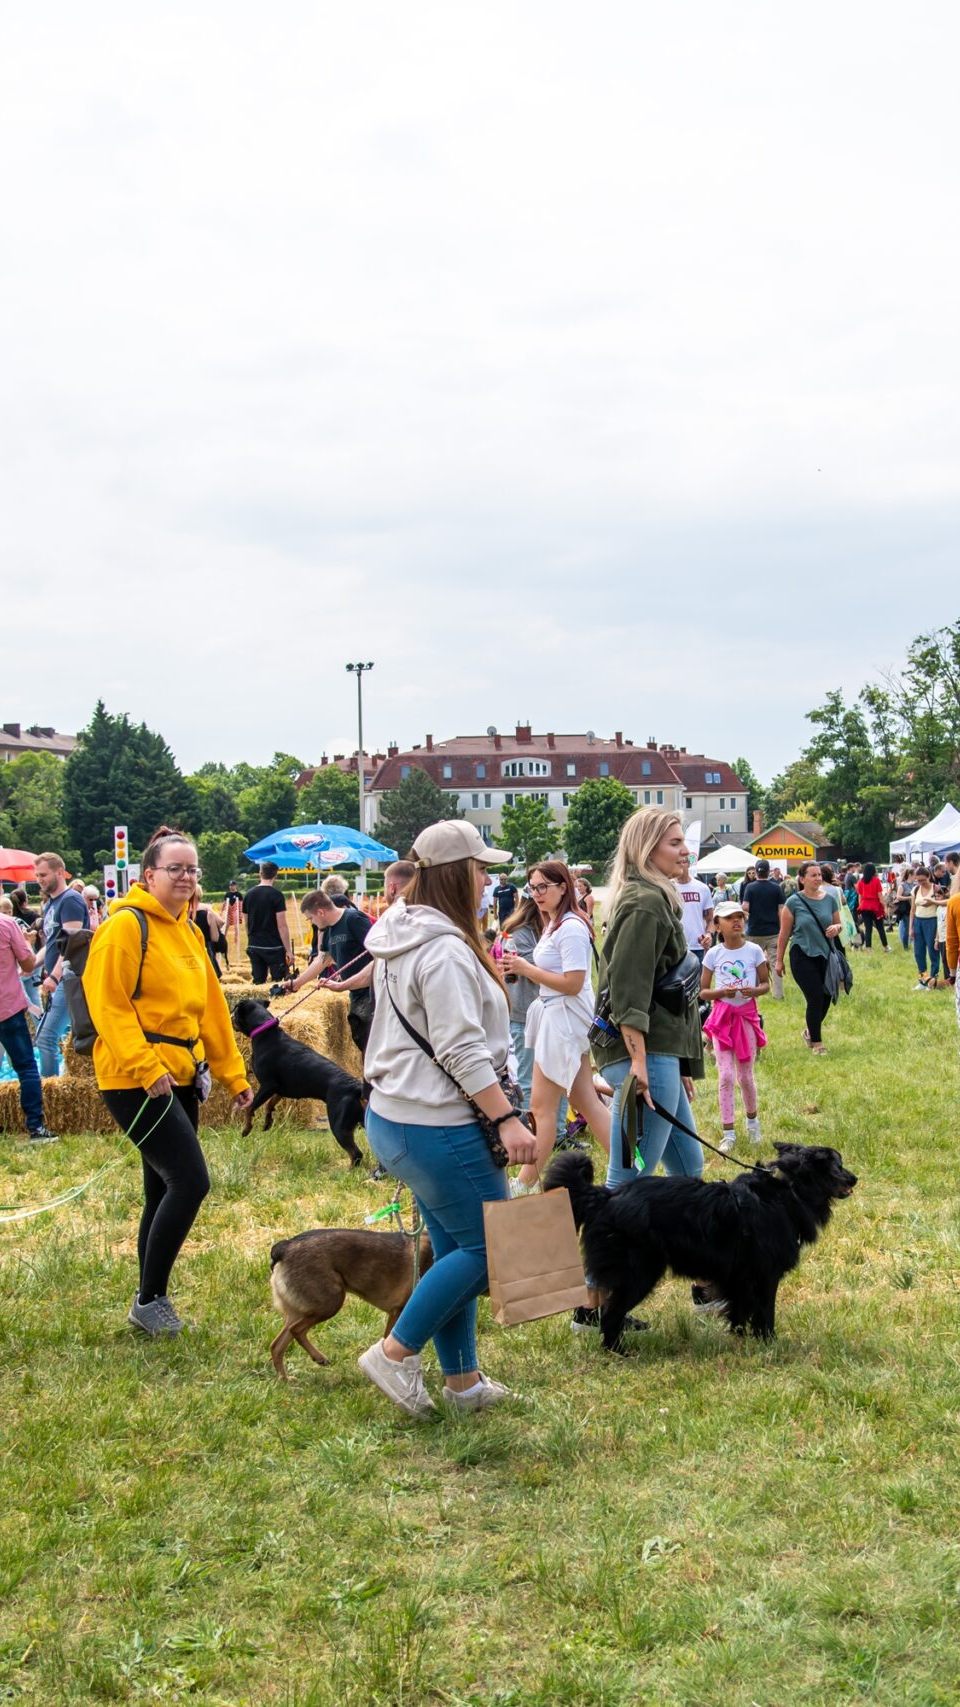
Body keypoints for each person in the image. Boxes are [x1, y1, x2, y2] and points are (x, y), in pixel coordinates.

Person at [358, 820, 537, 1417]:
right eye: (482, 869)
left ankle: (462, 1384)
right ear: (458, 874)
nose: (489, 880)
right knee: (489, 1251)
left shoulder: (403, 933)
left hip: (398, 1117)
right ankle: (395, 1352)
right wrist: (509, 1119)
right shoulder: (444, 951)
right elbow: (460, 1049)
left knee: (455, 1247)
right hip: (438, 1122)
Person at [84, 826, 253, 1335]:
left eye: (192, 869)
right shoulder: (124, 927)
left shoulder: (190, 931)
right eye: (175, 868)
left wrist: (232, 1074)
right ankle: (149, 1298)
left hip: (181, 1073)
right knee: (191, 1180)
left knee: (162, 1187)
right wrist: (144, 1065)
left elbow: (212, 1012)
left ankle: (149, 1299)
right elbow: (106, 1004)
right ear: (149, 874)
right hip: (135, 1077)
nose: (185, 877)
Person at [590, 809, 705, 1186]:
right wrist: (642, 1064)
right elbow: (628, 990)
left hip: (659, 1053)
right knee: (630, 1178)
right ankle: (605, 1245)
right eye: (675, 843)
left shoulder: (655, 896)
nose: (685, 850)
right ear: (646, 849)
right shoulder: (645, 902)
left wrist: (676, 1066)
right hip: (644, 1053)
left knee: (688, 1169)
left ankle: (682, 1245)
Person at [503, 861, 611, 1191]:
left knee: (542, 1108)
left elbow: (574, 983)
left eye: (542, 887)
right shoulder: (555, 924)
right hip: (556, 1016)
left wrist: (526, 968)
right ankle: (630, 1167)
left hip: (564, 1019)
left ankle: (526, 1181)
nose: (535, 894)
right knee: (586, 1101)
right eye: (532, 888)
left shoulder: (571, 928)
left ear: (563, 887)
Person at [501, 892, 571, 1150]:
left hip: (553, 1014)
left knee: (560, 1078)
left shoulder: (558, 927)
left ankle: (559, 1134)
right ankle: (536, 1135)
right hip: (525, 1014)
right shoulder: (519, 932)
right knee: (531, 1078)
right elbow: (534, 968)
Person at [701, 902, 769, 1151]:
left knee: (745, 1076)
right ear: (717, 925)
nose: (736, 921)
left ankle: (753, 1124)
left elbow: (765, 984)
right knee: (726, 1075)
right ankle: (728, 1132)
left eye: (740, 917)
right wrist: (722, 992)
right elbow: (704, 991)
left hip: (746, 1018)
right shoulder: (713, 954)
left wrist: (753, 991)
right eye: (729, 918)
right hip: (722, 1019)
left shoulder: (754, 951)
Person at [292, 888, 375, 1054]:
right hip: (356, 993)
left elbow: (379, 958)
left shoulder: (354, 919)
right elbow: (323, 959)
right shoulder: (329, 929)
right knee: (361, 1040)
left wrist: (344, 985)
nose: (312, 923)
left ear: (321, 912)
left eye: (311, 919)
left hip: (373, 992)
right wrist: (296, 983)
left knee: (371, 1044)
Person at [0, 903, 57, 1141]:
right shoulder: (7, 924)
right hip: (8, 1007)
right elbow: (27, 963)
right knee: (26, 1067)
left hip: (9, 1006)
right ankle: (36, 1127)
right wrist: (27, 944)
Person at [775, 862, 842, 1054]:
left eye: (819, 874)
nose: (818, 878)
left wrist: (836, 928)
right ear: (802, 879)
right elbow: (784, 934)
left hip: (825, 955)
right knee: (815, 997)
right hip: (802, 955)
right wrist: (779, 961)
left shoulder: (830, 899)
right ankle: (817, 1044)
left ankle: (809, 1031)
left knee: (827, 996)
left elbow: (839, 925)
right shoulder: (793, 902)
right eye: (813, 875)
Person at [34, 851, 89, 1078]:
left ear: (59, 872)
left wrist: (54, 977)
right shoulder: (51, 904)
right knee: (48, 1036)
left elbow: (71, 944)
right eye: (37, 875)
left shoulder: (70, 901)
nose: (39, 879)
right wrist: (30, 965)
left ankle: (49, 1089)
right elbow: (52, 943)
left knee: (46, 1037)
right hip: (61, 977)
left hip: (70, 977)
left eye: (43, 874)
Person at [740, 857, 785, 998]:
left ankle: (752, 992)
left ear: (757, 872)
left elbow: (745, 908)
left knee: (751, 963)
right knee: (775, 963)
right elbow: (781, 911)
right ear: (769, 871)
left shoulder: (750, 887)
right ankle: (778, 994)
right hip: (773, 932)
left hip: (754, 931)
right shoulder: (776, 887)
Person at [242, 862, 292, 985]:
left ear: (260, 873)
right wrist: (289, 951)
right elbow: (282, 926)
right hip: (273, 946)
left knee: (258, 982)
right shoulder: (277, 896)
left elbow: (246, 923)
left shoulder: (248, 895)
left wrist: (251, 938)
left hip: (255, 945)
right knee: (279, 983)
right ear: (275, 875)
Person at [675, 849, 714, 963]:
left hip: (697, 946)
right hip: (675, 946)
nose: (681, 865)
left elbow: (710, 919)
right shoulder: (668, 888)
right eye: (677, 862)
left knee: (698, 981)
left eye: (683, 862)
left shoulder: (702, 888)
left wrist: (709, 934)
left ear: (689, 863)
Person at [909, 868, 942, 990]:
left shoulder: (937, 888)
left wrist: (932, 901)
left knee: (933, 952)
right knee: (919, 953)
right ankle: (923, 980)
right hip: (918, 921)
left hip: (932, 921)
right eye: (918, 880)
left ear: (929, 876)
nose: (921, 883)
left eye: (923, 880)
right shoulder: (916, 889)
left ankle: (933, 981)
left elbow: (942, 905)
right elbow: (912, 910)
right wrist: (910, 928)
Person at [856, 863, 889, 951]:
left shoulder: (860, 882)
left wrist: (860, 906)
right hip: (875, 907)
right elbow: (880, 896)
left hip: (864, 907)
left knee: (868, 928)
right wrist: (885, 907)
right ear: (873, 871)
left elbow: (860, 896)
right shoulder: (876, 880)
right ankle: (885, 947)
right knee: (880, 928)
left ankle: (868, 948)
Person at [895, 866, 916, 951]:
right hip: (906, 910)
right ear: (910, 875)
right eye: (915, 875)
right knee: (907, 928)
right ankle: (905, 947)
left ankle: (913, 945)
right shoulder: (902, 885)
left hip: (914, 909)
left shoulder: (915, 885)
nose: (916, 876)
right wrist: (910, 898)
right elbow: (898, 897)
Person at [220, 879, 243, 956]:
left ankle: (236, 940)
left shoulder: (239, 894)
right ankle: (223, 940)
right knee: (226, 926)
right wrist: (222, 911)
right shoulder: (227, 894)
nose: (231, 887)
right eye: (230, 885)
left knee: (236, 927)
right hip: (229, 911)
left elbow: (241, 904)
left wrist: (240, 914)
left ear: (235, 886)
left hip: (235, 911)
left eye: (232, 885)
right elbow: (224, 903)